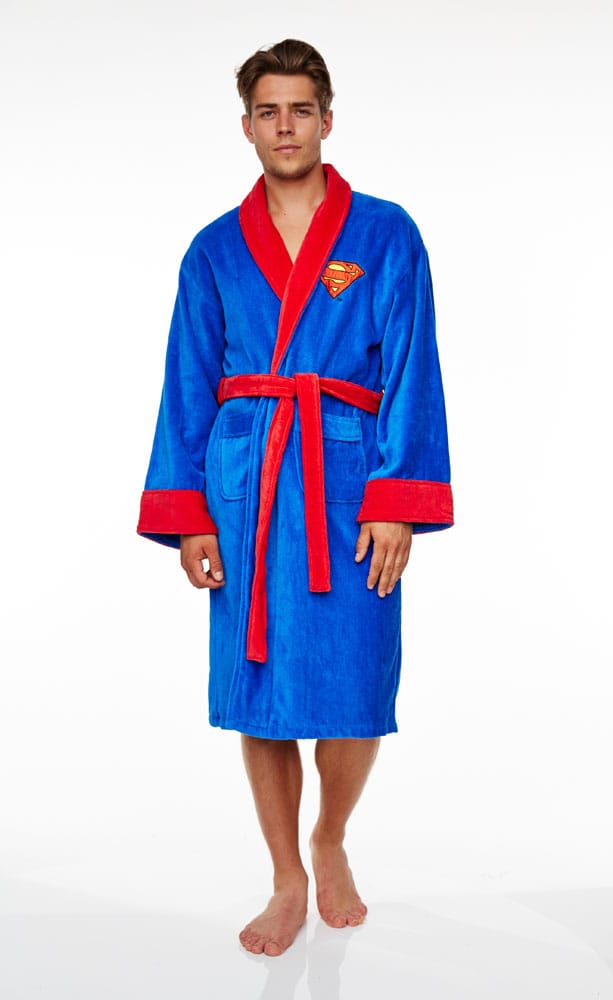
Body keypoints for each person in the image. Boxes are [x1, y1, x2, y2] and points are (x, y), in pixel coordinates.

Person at [137, 38, 453, 957]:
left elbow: (411, 367)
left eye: (301, 110)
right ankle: (285, 874)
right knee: (263, 689)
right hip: (247, 489)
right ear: (246, 126)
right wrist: (190, 513)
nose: (285, 127)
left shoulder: (384, 233)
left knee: (354, 682)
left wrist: (396, 496)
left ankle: (330, 837)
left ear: (327, 120)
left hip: (349, 484)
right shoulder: (213, 249)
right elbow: (187, 385)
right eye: (268, 112)